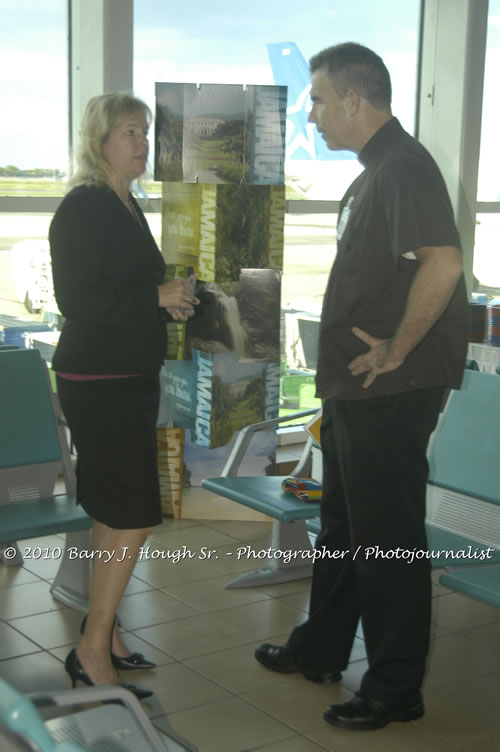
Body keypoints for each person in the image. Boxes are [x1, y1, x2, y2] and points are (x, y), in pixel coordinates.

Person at [255, 43, 469, 730]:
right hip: (360, 387)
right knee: (346, 528)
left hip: (391, 388)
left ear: (353, 100)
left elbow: (444, 263)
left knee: (386, 540)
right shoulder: (375, 171)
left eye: (317, 99)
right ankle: (320, 647)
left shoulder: (403, 167)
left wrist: (399, 348)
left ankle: (394, 687)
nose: (310, 114)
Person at [49, 92, 199, 699]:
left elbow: (131, 291)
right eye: (131, 132)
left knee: (114, 511)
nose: (143, 142)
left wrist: (171, 303)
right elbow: (79, 305)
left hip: (126, 375)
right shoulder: (84, 209)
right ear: (100, 141)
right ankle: (91, 652)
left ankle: (101, 631)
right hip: (98, 381)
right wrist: (154, 299)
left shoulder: (125, 203)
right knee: (135, 514)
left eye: (145, 131)